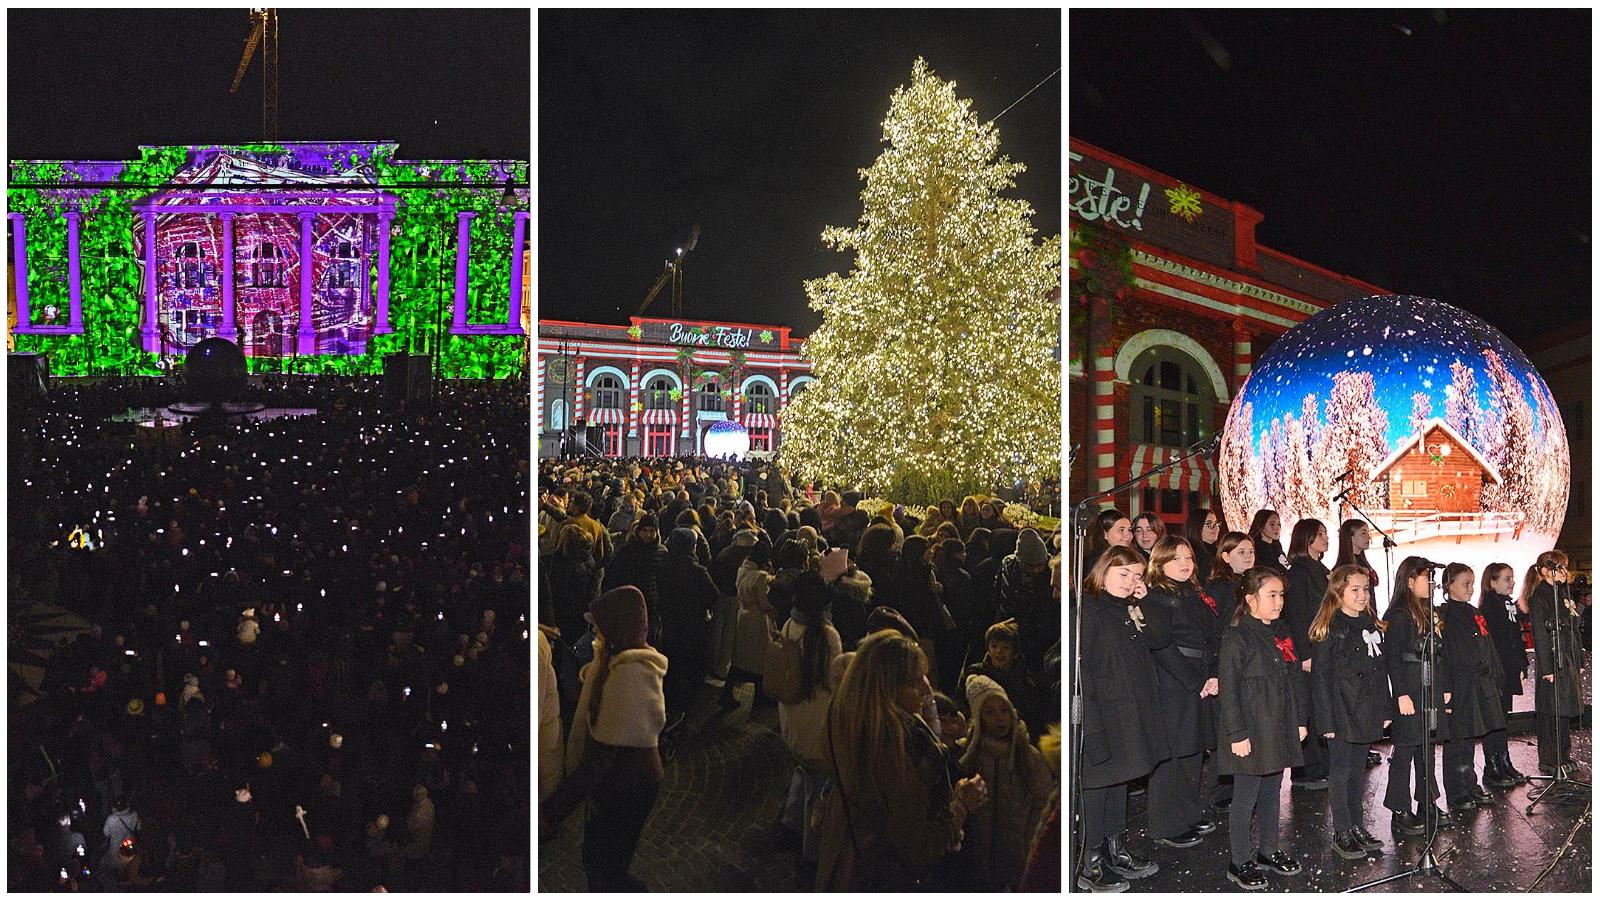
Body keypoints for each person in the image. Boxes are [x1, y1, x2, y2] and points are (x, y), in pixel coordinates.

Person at [815, 630, 988, 891]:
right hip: (881, 874)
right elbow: (917, 848)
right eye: (913, 682)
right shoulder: (896, 748)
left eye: (924, 678)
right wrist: (961, 805)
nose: (924, 689)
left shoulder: (845, 719)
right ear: (886, 689)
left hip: (844, 853)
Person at [541, 586, 668, 892]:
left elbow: (599, 760)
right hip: (617, 785)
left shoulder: (631, 676)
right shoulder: (615, 658)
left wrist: (552, 811)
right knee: (600, 858)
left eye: (600, 626)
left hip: (628, 789)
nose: (595, 632)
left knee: (605, 868)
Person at [1075, 546, 1167, 892]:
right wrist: (1092, 728)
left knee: (1120, 784)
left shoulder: (1127, 607)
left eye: (1136, 576)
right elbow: (1083, 674)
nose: (1130, 582)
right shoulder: (1090, 611)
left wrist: (1144, 602)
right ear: (1104, 570)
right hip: (1104, 716)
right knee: (1097, 788)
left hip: (1129, 716)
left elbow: (1158, 639)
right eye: (1123, 574)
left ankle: (1116, 849)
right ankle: (1090, 862)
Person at [1216, 566, 1306, 890]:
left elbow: (1294, 678)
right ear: (1251, 599)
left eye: (1281, 594)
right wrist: (1236, 734)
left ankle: (1268, 850)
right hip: (1250, 732)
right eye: (1272, 595)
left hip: (1276, 728)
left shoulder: (1280, 632)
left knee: (1272, 792)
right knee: (1245, 797)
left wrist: (1299, 720)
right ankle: (1239, 860)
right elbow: (1228, 691)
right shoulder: (1236, 637)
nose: (1279, 601)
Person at [1140, 536, 1218, 850]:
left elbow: (1211, 636)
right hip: (1173, 682)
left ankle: (1188, 811)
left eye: (1188, 557)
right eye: (1176, 559)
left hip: (1199, 676)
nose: (1185, 563)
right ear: (1159, 564)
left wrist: (1213, 674)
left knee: (1192, 751)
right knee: (1171, 754)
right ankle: (1166, 823)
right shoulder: (1156, 596)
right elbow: (1162, 647)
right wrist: (1193, 680)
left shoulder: (1193, 592)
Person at [1308, 564, 1390, 859]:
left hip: (1366, 708)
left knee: (1358, 771)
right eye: (1354, 590)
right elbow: (1320, 679)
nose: (1362, 595)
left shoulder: (1370, 624)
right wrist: (1326, 720)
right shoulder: (1330, 628)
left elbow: (1381, 671)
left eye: (1365, 589)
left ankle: (1357, 825)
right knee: (1341, 772)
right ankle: (1341, 829)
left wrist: (1385, 708)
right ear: (1338, 592)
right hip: (1341, 710)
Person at [957, 675, 1053, 890]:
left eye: (1003, 711)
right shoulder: (969, 754)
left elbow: (1043, 801)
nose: (999, 719)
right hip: (976, 859)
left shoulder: (1027, 755)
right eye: (989, 713)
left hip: (1017, 858)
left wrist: (1030, 839)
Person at [1381, 557, 1453, 836]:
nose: (1431, 584)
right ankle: (1399, 808)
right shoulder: (1398, 614)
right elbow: (1393, 659)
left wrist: (1444, 686)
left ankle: (1427, 801)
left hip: (1429, 684)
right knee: (1407, 748)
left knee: (1427, 747)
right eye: (1426, 579)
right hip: (1410, 686)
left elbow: (1439, 652)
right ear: (1410, 582)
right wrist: (1401, 693)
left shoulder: (1429, 611)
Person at [777, 571, 844, 864]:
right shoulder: (827, 636)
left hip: (792, 710)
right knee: (817, 785)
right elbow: (835, 680)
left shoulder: (789, 625)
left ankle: (790, 823)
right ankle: (810, 846)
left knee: (802, 770)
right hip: (817, 715)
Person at [1436, 563, 1502, 812]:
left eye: (1473, 583)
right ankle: (1456, 791)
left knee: (1470, 737)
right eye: (1466, 584)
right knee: (1457, 739)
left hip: (1477, 683)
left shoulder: (1474, 613)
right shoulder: (1444, 616)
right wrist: (1446, 689)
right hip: (1458, 684)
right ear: (1448, 585)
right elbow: (1445, 656)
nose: (1471, 589)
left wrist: (1494, 674)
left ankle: (1470, 784)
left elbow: (1487, 646)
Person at [1523, 550, 1582, 776]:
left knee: (1564, 710)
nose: (1565, 573)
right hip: (1553, 662)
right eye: (1560, 568)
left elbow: (1573, 626)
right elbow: (1539, 634)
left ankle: (1563, 755)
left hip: (1566, 658)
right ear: (1547, 571)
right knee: (1551, 711)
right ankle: (1549, 759)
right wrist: (1547, 668)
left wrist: (1578, 658)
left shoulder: (1561, 593)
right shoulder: (1540, 597)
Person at [1284, 518, 1330, 789]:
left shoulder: (1320, 568)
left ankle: (1320, 762)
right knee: (1308, 709)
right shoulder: (1299, 572)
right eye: (1320, 534)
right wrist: (1304, 653)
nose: (1326, 539)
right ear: (1306, 539)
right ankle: (1305, 770)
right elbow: (1297, 614)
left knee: (1319, 706)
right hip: (1308, 648)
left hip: (1321, 644)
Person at [658, 527, 720, 725]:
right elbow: (713, 596)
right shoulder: (697, 571)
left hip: (669, 623)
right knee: (691, 666)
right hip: (693, 625)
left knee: (672, 664)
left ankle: (669, 701)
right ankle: (684, 711)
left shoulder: (663, 565)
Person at [1476, 562, 1531, 786]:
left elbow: (1516, 638)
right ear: (1492, 582)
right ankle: (1492, 765)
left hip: (1507, 669)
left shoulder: (1508, 604)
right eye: (1507, 578)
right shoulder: (1489, 608)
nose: (1512, 583)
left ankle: (1504, 760)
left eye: (1512, 578)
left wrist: (1522, 664)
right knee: (1494, 718)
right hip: (1495, 672)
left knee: (1503, 717)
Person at [722, 536, 776, 711]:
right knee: (760, 658)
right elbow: (763, 602)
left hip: (742, 614)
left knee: (740, 657)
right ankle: (760, 698)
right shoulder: (760, 576)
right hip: (757, 619)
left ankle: (726, 693)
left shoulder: (742, 569)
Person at [1084, 509, 1133, 574]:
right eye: (1121, 530)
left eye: (1129, 530)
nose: (1128, 535)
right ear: (1105, 534)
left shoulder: (1133, 556)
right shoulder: (1095, 562)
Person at [1184, 506, 1222, 586]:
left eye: (1217, 524)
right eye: (1209, 524)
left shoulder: (1216, 551)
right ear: (1196, 526)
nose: (1216, 528)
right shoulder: (1189, 553)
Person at [1247, 510, 1288, 576]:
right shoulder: (1254, 550)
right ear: (1261, 526)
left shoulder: (1277, 548)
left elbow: (1287, 567)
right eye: (1272, 524)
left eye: (1278, 524)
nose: (1277, 528)